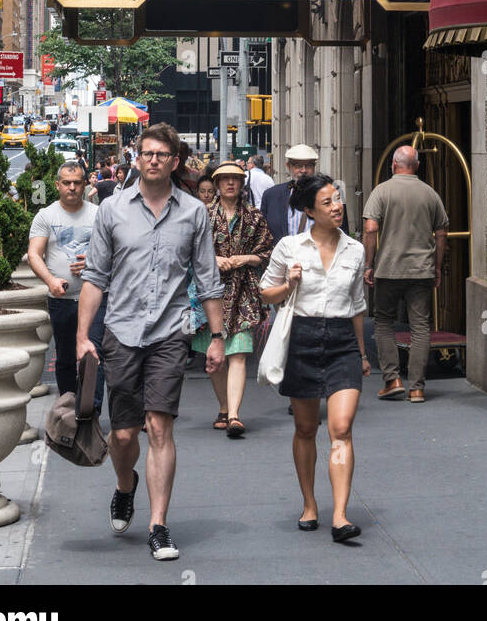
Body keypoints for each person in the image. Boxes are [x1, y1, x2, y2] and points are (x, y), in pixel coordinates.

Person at [77, 123, 225, 562]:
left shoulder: (194, 212)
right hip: (121, 331)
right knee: (123, 435)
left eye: (163, 154)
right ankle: (126, 486)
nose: (154, 160)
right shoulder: (112, 209)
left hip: (168, 334)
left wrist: (217, 337)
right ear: (137, 159)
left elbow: (208, 279)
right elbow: (95, 278)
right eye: (148, 153)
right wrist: (83, 336)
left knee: (160, 426)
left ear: (175, 161)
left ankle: (159, 525)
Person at [260, 174, 369, 543]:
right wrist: (289, 284)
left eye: (337, 199)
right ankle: (310, 504)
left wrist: (363, 353)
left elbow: (357, 306)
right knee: (306, 429)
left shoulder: (355, 249)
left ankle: (340, 515)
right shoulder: (290, 247)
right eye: (327, 202)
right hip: (303, 339)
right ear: (308, 211)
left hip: (342, 343)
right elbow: (266, 295)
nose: (337, 206)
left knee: (341, 428)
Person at [191, 161, 273, 438]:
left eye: (235, 180)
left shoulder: (254, 217)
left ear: (242, 185)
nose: (230, 184)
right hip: (209, 292)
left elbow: (267, 251)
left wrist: (245, 258)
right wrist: (214, 260)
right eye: (225, 179)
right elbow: (188, 252)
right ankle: (224, 407)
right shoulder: (202, 215)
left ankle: (235, 414)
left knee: (238, 352)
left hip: (244, 291)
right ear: (216, 184)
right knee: (216, 357)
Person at [362, 145, 449, 403]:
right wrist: (436, 266)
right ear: (417, 166)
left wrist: (369, 263)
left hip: (388, 269)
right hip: (421, 270)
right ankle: (417, 388)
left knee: (384, 322)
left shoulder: (382, 191)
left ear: (393, 165)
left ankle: (392, 379)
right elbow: (442, 232)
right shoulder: (430, 194)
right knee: (420, 326)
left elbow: (370, 228)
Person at [27, 161, 106, 413]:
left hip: (95, 297)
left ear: (85, 184)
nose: (72, 188)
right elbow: (34, 254)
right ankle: (67, 408)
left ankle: (89, 411)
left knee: (92, 354)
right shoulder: (46, 216)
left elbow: (117, 253)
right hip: (61, 299)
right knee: (65, 356)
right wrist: (50, 280)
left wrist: (93, 262)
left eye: (77, 183)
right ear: (57, 185)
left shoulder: (99, 214)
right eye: (67, 183)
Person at [262, 145, 349, 241]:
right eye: (298, 166)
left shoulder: (332, 193)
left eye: (308, 165)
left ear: (314, 166)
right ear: (288, 166)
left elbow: (342, 231)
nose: (303, 170)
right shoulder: (271, 195)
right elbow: (263, 235)